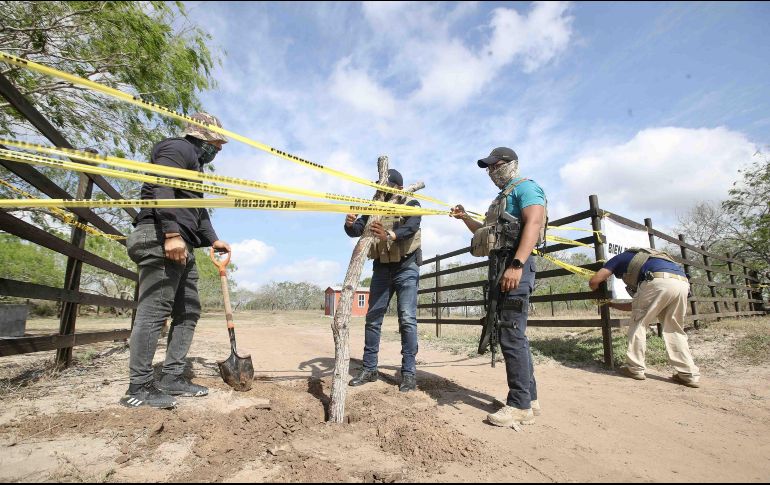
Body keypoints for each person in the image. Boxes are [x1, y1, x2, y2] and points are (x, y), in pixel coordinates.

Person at [120, 112, 232, 409]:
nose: (218, 149)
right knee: (155, 311)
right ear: (203, 137)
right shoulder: (177, 148)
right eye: (217, 143)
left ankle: (172, 377)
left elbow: (199, 210)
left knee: (188, 311)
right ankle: (139, 385)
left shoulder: (195, 167)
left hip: (184, 244)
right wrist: (170, 233)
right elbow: (163, 188)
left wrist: (213, 239)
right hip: (161, 238)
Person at [450, 147, 546, 427]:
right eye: (489, 168)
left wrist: (516, 265)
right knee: (513, 333)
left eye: (497, 165)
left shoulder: (526, 188)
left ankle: (518, 405)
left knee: (511, 334)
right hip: (501, 265)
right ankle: (530, 399)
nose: (493, 171)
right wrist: (465, 218)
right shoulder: (501, 199)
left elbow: (534, 222)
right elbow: (487, 233)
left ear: (512, 164)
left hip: (515, 265)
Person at [344, 169, 421, 392]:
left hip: (406, 266)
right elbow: (359, 229)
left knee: (407, 319)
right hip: (381, 268)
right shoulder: (374, 205)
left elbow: (411, 227)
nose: (379, 188)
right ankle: (369, 369)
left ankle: (408, 373)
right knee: (373, 318)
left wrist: (389, 235)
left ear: (396, 187)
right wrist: (350, 224)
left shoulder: (412, 203)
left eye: (383, 184)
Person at [589, 248, 700, 387]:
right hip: (683, 284)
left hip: (657, 281)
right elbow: (638, 305)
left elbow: (594, 281)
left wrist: (597, 293)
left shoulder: (618, 258)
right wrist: (612, 305)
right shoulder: (652, 260)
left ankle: (635, 368)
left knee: (639, 324)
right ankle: (688, 374)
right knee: (675, 329)